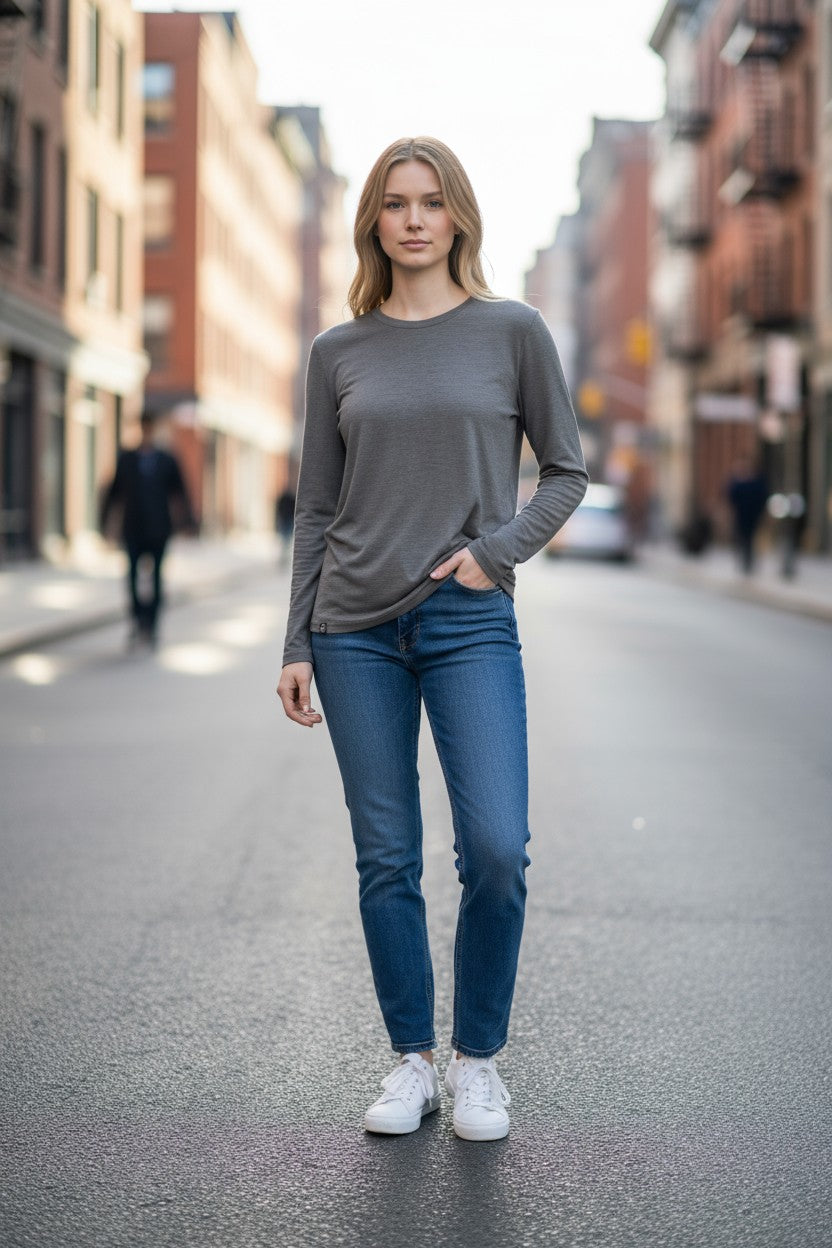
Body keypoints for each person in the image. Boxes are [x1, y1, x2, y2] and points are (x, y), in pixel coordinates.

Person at [277, 137, 588, 1141]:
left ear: (458, 217)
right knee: (386, 857)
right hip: (350, 631)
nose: (413, 219)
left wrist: (495, 553)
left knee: (497, 849)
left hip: (467, 620)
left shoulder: (512, 331)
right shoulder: (339, 350)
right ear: (372, 221)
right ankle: (410, 1059)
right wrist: (295, 641)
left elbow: (566, 472)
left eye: (432, 202)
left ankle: (479, 1063)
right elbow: (316, 508)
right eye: (394, 204)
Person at [102, 411, 195, 646]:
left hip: (159, 529)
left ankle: (152, 625)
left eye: (150, 427)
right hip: (132, 528)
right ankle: (137, 620)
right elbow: (113, 493)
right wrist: (105, 524)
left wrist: (189, 522)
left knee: (156, 579)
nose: (147, 432)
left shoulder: (167, 459)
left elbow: (180, 492)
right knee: (132, 577)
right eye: (144, 427)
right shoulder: (127, 458)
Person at [725, 456, 768, 574]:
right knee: (742, 538)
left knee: (751, 539)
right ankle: (744, 561)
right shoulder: (737, 481)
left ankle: (750, 562)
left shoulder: (757, 481)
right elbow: (730, 495)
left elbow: (762, 496)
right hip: (740, 515)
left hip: (753, 515)